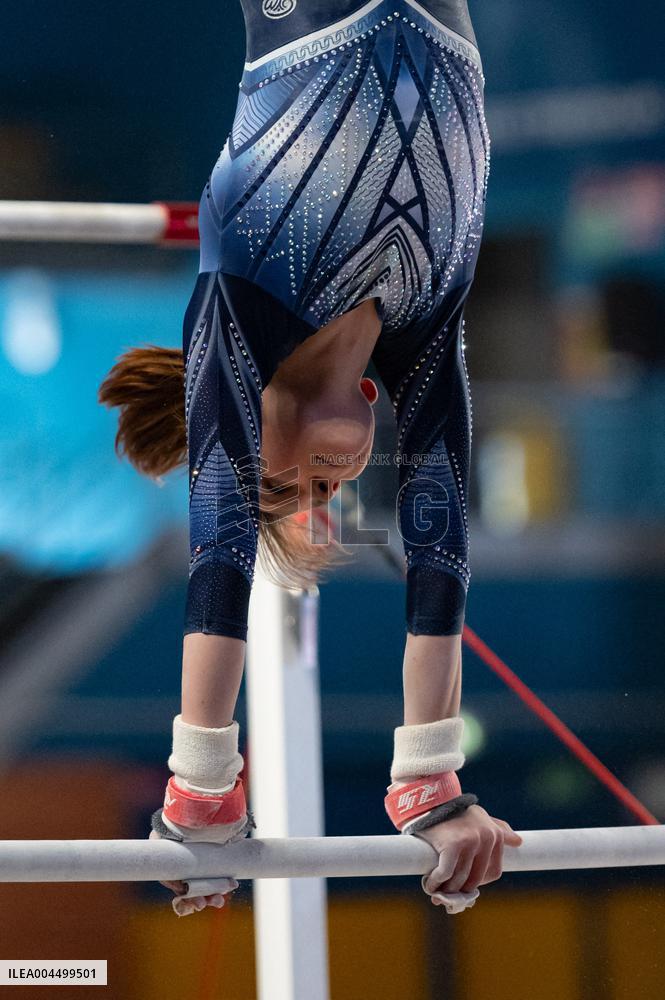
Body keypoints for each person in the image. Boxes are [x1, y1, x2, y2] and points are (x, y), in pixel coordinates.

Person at [99, 0, 522, 918]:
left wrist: (202, 788)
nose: (322, 483)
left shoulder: (239, 297)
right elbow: (439, 558)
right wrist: (430, 778)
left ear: (242, 424)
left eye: (278, 480)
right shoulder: (427, 325)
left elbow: (218, 553)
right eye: (326, 491)